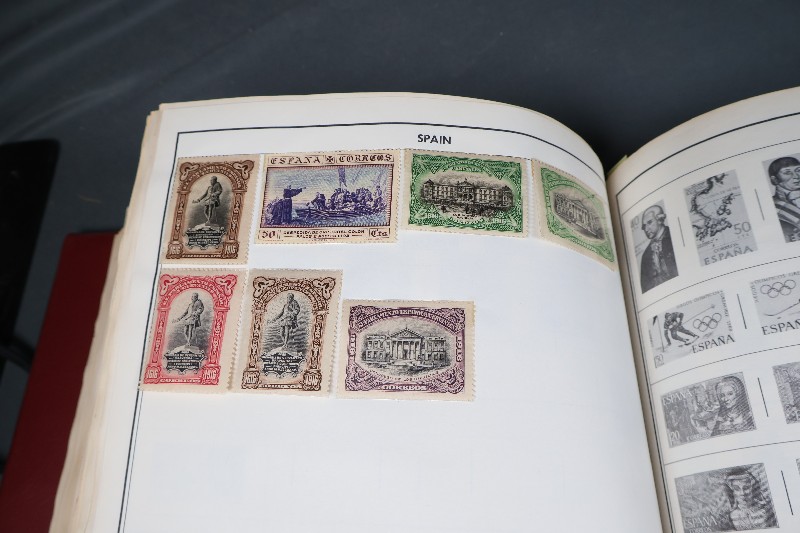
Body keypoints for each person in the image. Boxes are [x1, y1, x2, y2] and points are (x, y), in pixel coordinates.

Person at [639, 204, 679, 293]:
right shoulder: (646, 255)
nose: (646, 229)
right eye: (644, 226)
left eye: (649, 222)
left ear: (660, 220)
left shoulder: (675, 237)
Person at [767, 156, 800, 242]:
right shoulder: (771, 206)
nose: (796, 176)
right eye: (787, 172)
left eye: (798, 170)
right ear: (775, 180)